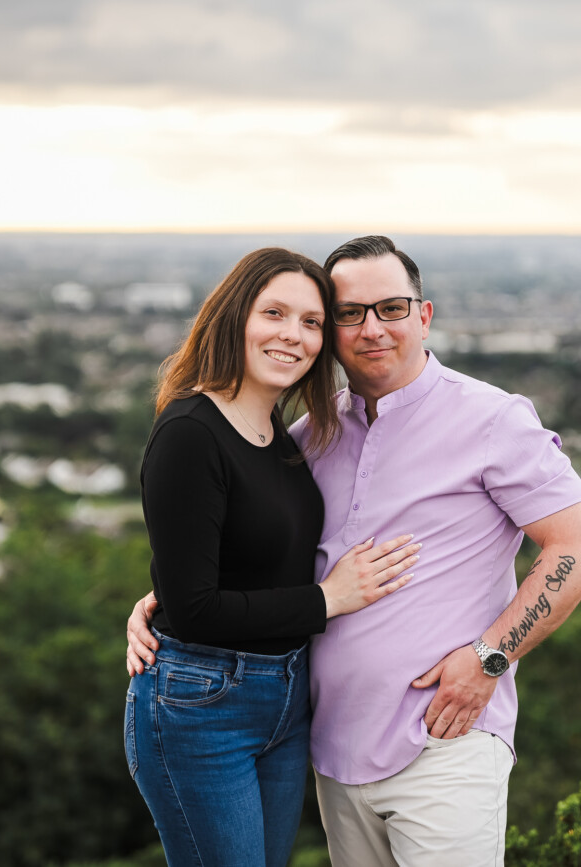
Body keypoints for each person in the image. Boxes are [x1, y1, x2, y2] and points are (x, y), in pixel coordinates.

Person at [128, 236, 581, 867]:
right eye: (350, 314)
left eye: (392, 308)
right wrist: (162, 602)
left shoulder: (493, 419)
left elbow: (580, 547)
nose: (372, 328)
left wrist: (490, 658)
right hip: (331, 746)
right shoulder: (309, 436)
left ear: (424, 315)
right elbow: (248, 550)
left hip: (446, 738)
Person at [124, 246, 420, 867]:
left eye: (312, 322)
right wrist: (329, 599)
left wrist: (160, 597)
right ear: (234, 317)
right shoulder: (190, 432)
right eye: (275, 313)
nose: (294, 335)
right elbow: (197, 610)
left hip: (287, 702)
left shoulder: (285, 437)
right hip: (202, 706)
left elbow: (237, 562)